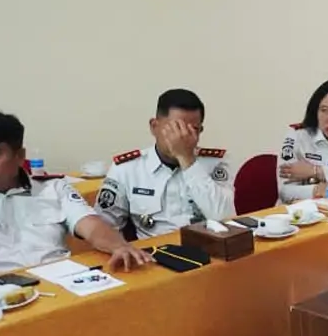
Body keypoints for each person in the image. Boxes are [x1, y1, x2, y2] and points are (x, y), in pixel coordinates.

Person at [0, 111, 152, 284]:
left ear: (20, 156)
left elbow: (93, 226)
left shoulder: (54, 189)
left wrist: (118, 245)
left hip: (57, 289)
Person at [95, 89, 235, 239]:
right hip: (155, 254)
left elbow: (225, 217)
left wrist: (187, 159)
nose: (182, 136)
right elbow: (103, 227)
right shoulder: (127, 169)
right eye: (175, 128)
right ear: (154, 126)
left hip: (209, 251)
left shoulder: (216, 162)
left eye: (192, 130)